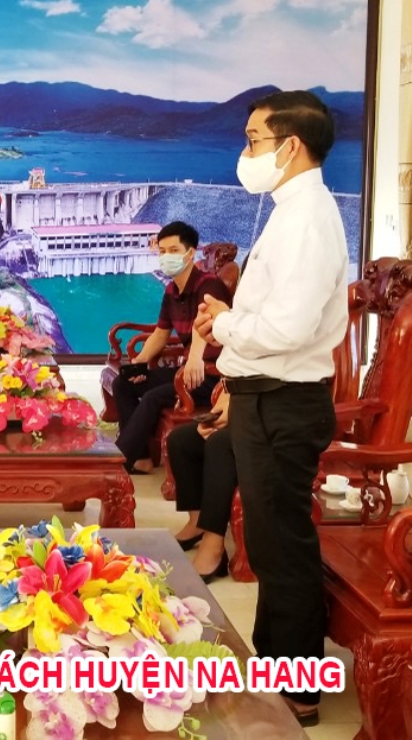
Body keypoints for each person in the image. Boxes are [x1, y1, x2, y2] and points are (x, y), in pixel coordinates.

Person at [195, 90, 348, 727]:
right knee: (267, 538)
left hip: (286, 402)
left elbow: (287, 329)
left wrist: (226, 324)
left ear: (290, 146)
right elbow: (275, 317)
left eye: (254, 139)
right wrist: (232, 326)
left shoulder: (308, 219)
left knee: (282, 543)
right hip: (266, 396)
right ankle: (275, 666)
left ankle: (298, 689)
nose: (246, 151)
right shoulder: (291, 212)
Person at [112, 221, 232, 473]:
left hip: (212, 375)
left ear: (190, 253)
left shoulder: (209, 285)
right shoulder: (171, 290)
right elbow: (160, 333)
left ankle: (119, 462)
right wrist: (138, 365)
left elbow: (205, 322)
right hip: (187, 372)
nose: (167, 257)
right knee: (123, 383)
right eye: (163, 251)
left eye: (174, 250)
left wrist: (195, 358)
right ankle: (141, 458)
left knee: (154, 397)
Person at [166, 386, 236, 582]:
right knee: (181, 441)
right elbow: (231, 379)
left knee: (220, 444)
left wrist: (236, 412)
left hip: (274, 419)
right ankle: (197, 523)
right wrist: (216, 417)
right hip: (243, 409)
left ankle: (213, 543)